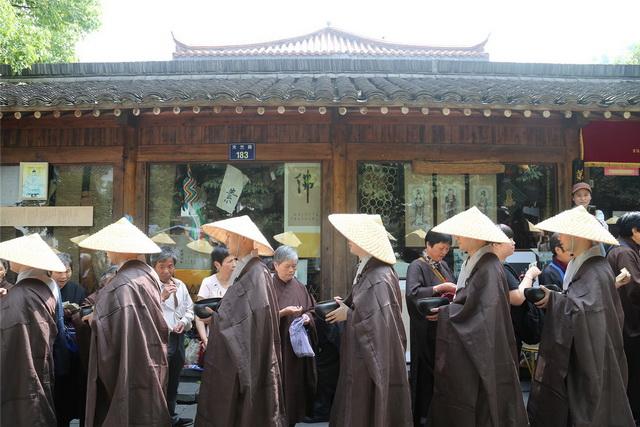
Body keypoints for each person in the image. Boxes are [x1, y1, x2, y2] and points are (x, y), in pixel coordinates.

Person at [528, 205, 634, 426]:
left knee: (591, 406)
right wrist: (556, 298)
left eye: (564, 234)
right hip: (591, 348)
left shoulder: (595, 268)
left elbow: (587, 311)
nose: (560, 238)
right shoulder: (587, 264)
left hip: (593, 352)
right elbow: (580, 302)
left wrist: (555, 300)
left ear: (579, 237)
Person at [428, 206, 528, 426]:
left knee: (483, 402)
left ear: (476, 237)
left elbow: (481, 314)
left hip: (485, 345)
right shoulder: (480, 262)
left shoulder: (488, 267)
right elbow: (473, 304)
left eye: (461, 234)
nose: (457, 238)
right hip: (481, 344)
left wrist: (446, 312)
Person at [78, 217, 171, 426]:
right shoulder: (145, 275)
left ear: (121, 250)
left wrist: (95, 318)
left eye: (109, 247)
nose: (106, 252)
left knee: (129, 407)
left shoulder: (124, 283)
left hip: (132, 352)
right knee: (146, 405)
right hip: (149, 349)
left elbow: (116, 321)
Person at [195, 215, 285, 427]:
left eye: (230, 236)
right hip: (246, 349)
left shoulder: (256, 272)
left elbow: (248, 318)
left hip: (250, 351)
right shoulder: (249, 269)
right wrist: (220, 313)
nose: (226, 241)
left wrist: (216, 317)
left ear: (244, 239)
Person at [325, 213, 412, 427]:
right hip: (361, 350)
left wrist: (349, 314)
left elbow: (378, 322)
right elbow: (366, 305)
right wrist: (347, 304)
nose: (348, 240)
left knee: (366, 403)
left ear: (364, 241)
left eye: (352, 236)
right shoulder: (369, 269)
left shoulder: (379, 276)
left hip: (370, 355)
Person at [0, 233, 66, 426]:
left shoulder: (23, 293)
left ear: (25, 259)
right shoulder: (47, 284)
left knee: (27, 410)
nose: (10, 260)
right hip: (44, 358)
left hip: (24, 362)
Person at [404, 229, 456, 427]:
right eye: (441, 248)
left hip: (444, 326)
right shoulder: (416, 266)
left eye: (447, 249)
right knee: (425, 374)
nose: (444, 252)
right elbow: (413, 294)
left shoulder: (443, 265)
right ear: (428, 245)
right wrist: (439, 288)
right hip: (425, 328)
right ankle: (423, 417)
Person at [272, 245, 318, 427]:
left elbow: (312, 309)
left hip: (296, 350)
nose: (291, 270)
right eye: (287, 266)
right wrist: (282, 313)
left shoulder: (299, 286)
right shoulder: (267, 287)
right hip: (277, 348)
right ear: (276, 265)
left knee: (294, 391)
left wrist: (307, 317)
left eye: (294, 266)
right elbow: (260, 317)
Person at [151, 247, 195, 427]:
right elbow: (146, 312)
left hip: (178, 338)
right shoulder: (150, 287)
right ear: (154, 267)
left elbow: (190, 309)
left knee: (174, 379)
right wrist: (161, 297)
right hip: (160, 339)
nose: (166, 270)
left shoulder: (180, 285)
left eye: (170, 266)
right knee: (159, 379)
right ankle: (158, 418)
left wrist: (183, 322)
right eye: (161, 266)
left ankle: (172, 415)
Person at [607, 212, 640, 425]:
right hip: (630, 323)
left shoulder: (625, 249)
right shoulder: (624, 251)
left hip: (628, 321)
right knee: (633, 372)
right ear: (634, 231)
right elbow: (635, 287)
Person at [492, 224, 543, 355]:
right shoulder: (499, 267)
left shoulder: (493, 265)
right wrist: (530, 275)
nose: (513, 242)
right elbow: (517, 298)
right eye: (510, 239)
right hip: (507, 331)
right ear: (496, 244)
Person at [195, 245, 237, 348]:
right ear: (217, 265)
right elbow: (199, 314)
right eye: (230, 261)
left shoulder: (238, 282)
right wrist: (205, 339)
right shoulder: (208, 283)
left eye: (235, 260)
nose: (234, 264)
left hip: (236, 340)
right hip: (214, 339)